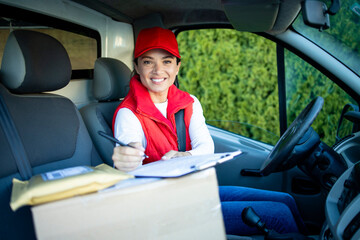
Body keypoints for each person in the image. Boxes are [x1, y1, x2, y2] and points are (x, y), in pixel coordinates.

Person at [112, 26, 308, 236]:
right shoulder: (128, 114)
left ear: (177, 66)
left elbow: (206, 147)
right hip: (166, 207)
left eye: (167, 61)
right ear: (137, 66)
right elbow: (129, 162)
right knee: (278, 215)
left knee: (286, 200)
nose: (158, 70)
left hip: (195, 192)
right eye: (148, 61)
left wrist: (184, 156)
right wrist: (126, 160)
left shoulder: (190, 103)